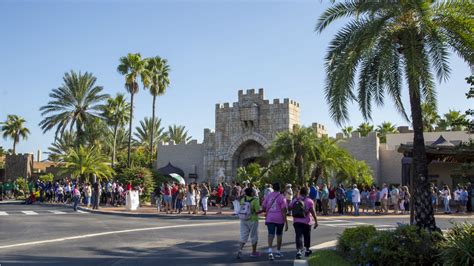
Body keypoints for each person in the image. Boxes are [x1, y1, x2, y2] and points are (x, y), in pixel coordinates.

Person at [290, 186, 319, 259]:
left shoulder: (295, 200)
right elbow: (313, 212)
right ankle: (307, 250)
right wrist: (316, 221)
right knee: (307, 236)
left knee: (298, 236)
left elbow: (289, 207)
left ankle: (299, 251)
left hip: (296, 221)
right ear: (307, 193)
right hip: (307, 221)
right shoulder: (309, 201)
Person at [261, 183, 288, 261]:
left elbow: (263, 206)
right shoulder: (282, 197)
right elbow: (283, 211)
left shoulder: (268, 196)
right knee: (279, 235)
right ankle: (278, 252)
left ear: (273, 188)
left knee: (270, 234)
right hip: (279, 219)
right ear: (280, 188)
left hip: (270, 218)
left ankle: (270, 252)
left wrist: (266, 210)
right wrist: (286, 222)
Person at [236, 187, 261, 259]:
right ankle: (254, 252)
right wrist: (263, 211)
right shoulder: (255, 200)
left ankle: (240, 250)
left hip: (243, 219)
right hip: (252, 219)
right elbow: (257, 211)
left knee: (243, 235)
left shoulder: (243, 199)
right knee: (254, 235)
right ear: (252, 193)